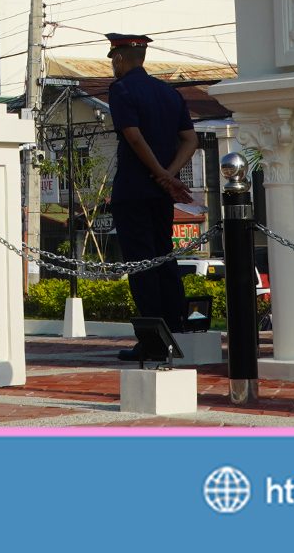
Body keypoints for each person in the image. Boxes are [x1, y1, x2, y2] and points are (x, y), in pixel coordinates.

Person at [103, 32, 198, 362]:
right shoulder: (169, 93)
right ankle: (177, 329)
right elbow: (189, 140)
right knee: (164, 259)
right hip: (161, 194)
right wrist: (169, 175)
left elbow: (134, 137)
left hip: (133, 190)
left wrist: (159, 173)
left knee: (142, 265)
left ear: (119, 58)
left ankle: (152, 341)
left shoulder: (122, 89)